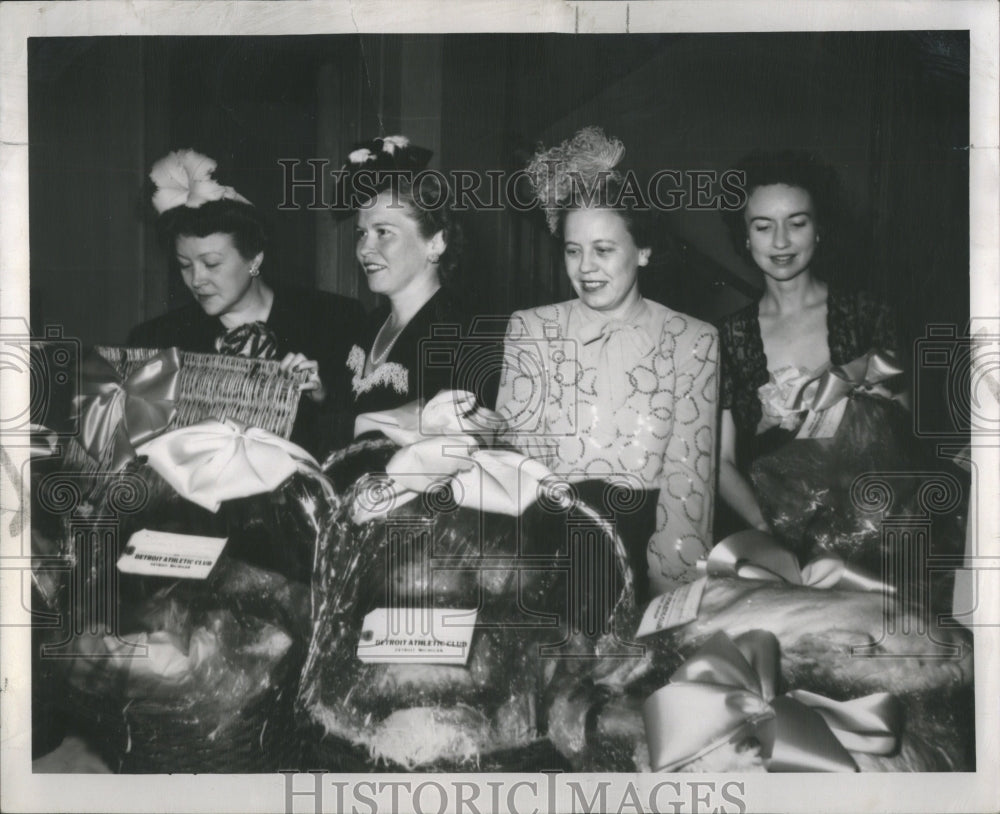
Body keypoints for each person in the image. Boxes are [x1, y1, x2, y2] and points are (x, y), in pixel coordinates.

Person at [495, 127, 719, 598]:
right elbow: (517, 468)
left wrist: (667, 602)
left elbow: (688, 487)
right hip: (553, 552)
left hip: (649, 555)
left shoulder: (695, 340)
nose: (585, 268)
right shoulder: (531, 329)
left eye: (603, 250)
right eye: (573, 251)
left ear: (643, 250)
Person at [129, 149, 365, 456]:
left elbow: (356, 439)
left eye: (212, 264)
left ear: (255, 258)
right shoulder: (156, 340)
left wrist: (320, 397)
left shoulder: (334, 319)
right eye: (185, 265)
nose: (196, 280)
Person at [717, 150, 901, 534]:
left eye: (796, 223)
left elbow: (901, 436)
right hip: (767, 536)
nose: (781, 241)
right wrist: (772, 536)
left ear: (819, 229)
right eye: (763, 226)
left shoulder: (868, 315)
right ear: (744, 237)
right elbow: (721, 462)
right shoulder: (727, 338)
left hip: (873, 528)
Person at [334, 135, 498, 419]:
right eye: (362, 234)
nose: (365, 249)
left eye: (383, 232)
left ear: (435, 243)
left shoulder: (464, 336)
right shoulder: (369, 324)